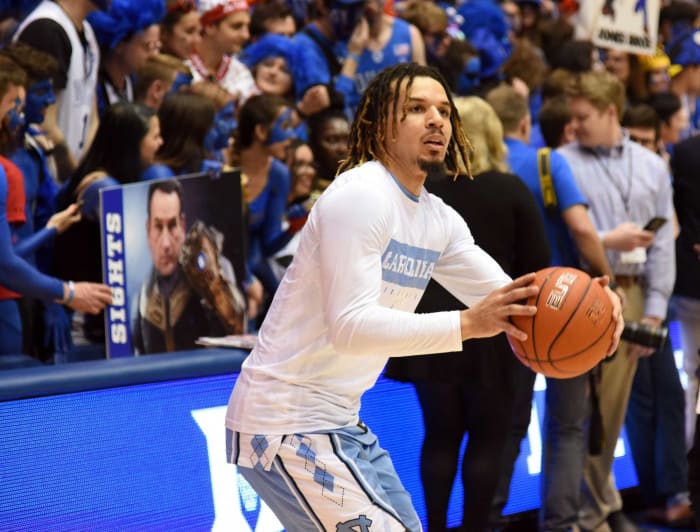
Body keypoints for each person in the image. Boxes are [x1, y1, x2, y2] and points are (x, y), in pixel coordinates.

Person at [224, 63, 623, 532]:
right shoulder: (360, 196)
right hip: (284, 422)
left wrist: (601, 309)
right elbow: (350, 328)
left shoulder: (438, 219)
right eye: (416, 109)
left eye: (443, 111)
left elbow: (517, 303)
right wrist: (468, 324)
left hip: (339, 421)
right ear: (379, 124)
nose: (436, 120)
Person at [384, 95, 551, 532]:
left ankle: (435, 527)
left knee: (439, 435)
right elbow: (539, 266)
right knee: (488, 439)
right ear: (495, 135)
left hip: (430, 333)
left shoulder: (424, 189)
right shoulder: (510, 189)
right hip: (494, 335)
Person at [487, 82, 615, 532]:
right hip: (564, 305)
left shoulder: (478, 167)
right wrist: (605, 279)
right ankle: (560, 524)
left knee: (505, 426)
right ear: (526, 121)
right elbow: (581, 228)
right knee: (566, 425)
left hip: (501, 312)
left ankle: (490, 518)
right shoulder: (545, 160)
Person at [558, 69, 675, 531]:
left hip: (634, 290)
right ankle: (596, 511)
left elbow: (663, 242)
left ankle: (599, 505)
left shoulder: (651, 165)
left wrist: (655, 309)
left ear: (611, 112)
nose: (574, 125)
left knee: (612, 410)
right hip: (579, 293)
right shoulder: (562, 160)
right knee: (581, 414)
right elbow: (570, 234)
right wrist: (608, 240)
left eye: (583, 116)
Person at [53, 102, 162, 352]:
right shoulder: (102, 187)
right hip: (86, 320)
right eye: (155, 136)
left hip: (102, 315)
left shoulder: (114, 179)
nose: (161, 143)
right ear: (132, 142)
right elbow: (140, 250)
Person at [132, 178, 246, 354]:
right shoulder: (141, 300)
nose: (166, 243)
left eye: (172, 226)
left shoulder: (217, 268)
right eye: (157, 227)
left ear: (182, 225)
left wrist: (215, 289)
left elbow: (240, 332)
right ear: (148, 230)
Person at [13, 0, 106, 181]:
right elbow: (45, 125)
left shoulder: (88, 33)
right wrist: (77, 179)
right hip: (47, 177)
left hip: (72, 174)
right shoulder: (46, 30)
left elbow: (92, 114)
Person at [87, 0, 164, 116]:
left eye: (157, 46)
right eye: (148, 47)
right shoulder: (95, 88)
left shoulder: (132, 82)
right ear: (119, 44)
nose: (155, 55)